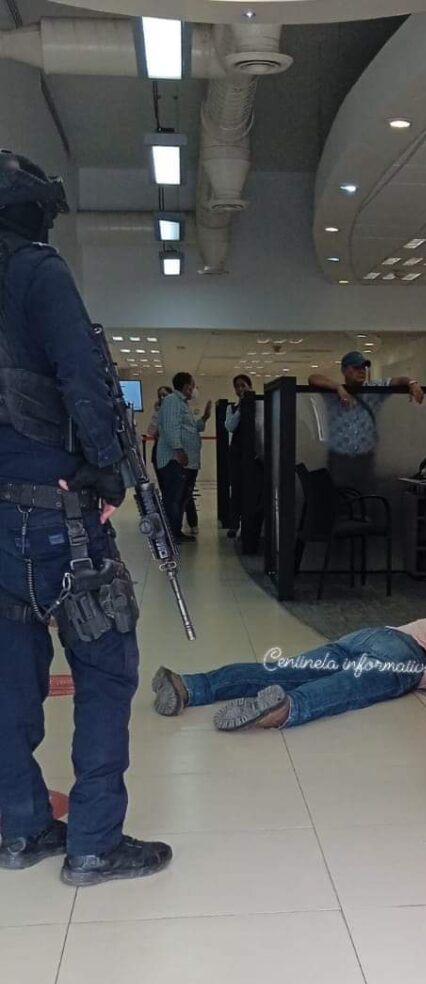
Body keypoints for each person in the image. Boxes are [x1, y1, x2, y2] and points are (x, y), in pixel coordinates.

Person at [0, 149, 171, 885]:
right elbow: (81, 373)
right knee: (105, 672)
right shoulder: (35, 270)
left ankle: (20, 829)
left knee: (8, 683)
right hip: (57, 515)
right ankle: (94, 843)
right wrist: (106, 465)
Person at [152, 616, 426, 730]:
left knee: (284, 670)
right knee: (348, 686)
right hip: (406, 655)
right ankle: (286, 708)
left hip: (369, 635)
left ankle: (190, 685)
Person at [308, 351, 424, 491]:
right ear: (344, 370)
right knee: (340, 496)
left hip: (365, 458)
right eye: (356, 367)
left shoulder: (373, 389)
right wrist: (339, 388)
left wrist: (412, 383)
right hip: (339, 458)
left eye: (363, 367)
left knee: (365, 495)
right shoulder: (332, 394)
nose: (361, 371)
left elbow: (398, 381)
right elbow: (313, 378)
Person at [156, 372, 211, 542]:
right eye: (193, 385)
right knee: (174, 498)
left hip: (185, 462)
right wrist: (179, 451)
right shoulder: (172, 401)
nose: (195, 389)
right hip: (174, 460)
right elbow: (171, 428)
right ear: (187, 387)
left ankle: (176, 531)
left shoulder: (182, 404)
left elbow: (191, 428)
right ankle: (171, 534)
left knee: (181, 498)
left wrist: (205, 418)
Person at [224, 373, 252, 539]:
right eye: (237, 386)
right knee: (236, 489)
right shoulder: (232, 408)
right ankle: (234, 525)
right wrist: (241, 408)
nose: (240, 389)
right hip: (237, 453)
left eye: (243, 385)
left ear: (249, 386)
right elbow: (230, 426)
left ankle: (251, 524)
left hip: (253, 454)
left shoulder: (258, 404)